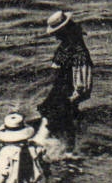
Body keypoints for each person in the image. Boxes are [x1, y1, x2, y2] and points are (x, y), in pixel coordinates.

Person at [36, 10, 92, 155]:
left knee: (55, 117)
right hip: (62, 89)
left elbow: (82, 82)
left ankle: (59, 150)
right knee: (60, 119)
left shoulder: (77, 50)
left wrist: (74, 97)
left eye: (57, 32)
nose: (55, 36)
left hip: (67, 92)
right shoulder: (68, 45)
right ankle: (66, 150)